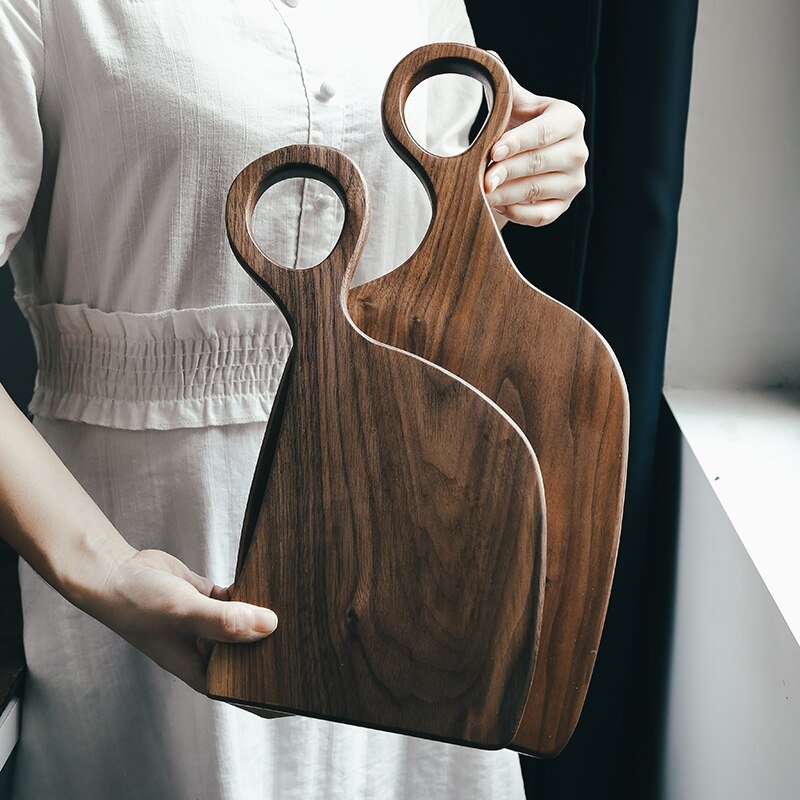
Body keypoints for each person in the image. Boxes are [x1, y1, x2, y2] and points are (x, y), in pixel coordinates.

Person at [0, 1, 588, 797]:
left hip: (425, 546)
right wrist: (106, 569)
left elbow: (432, 242)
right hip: (155, 547)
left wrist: (526, 162)